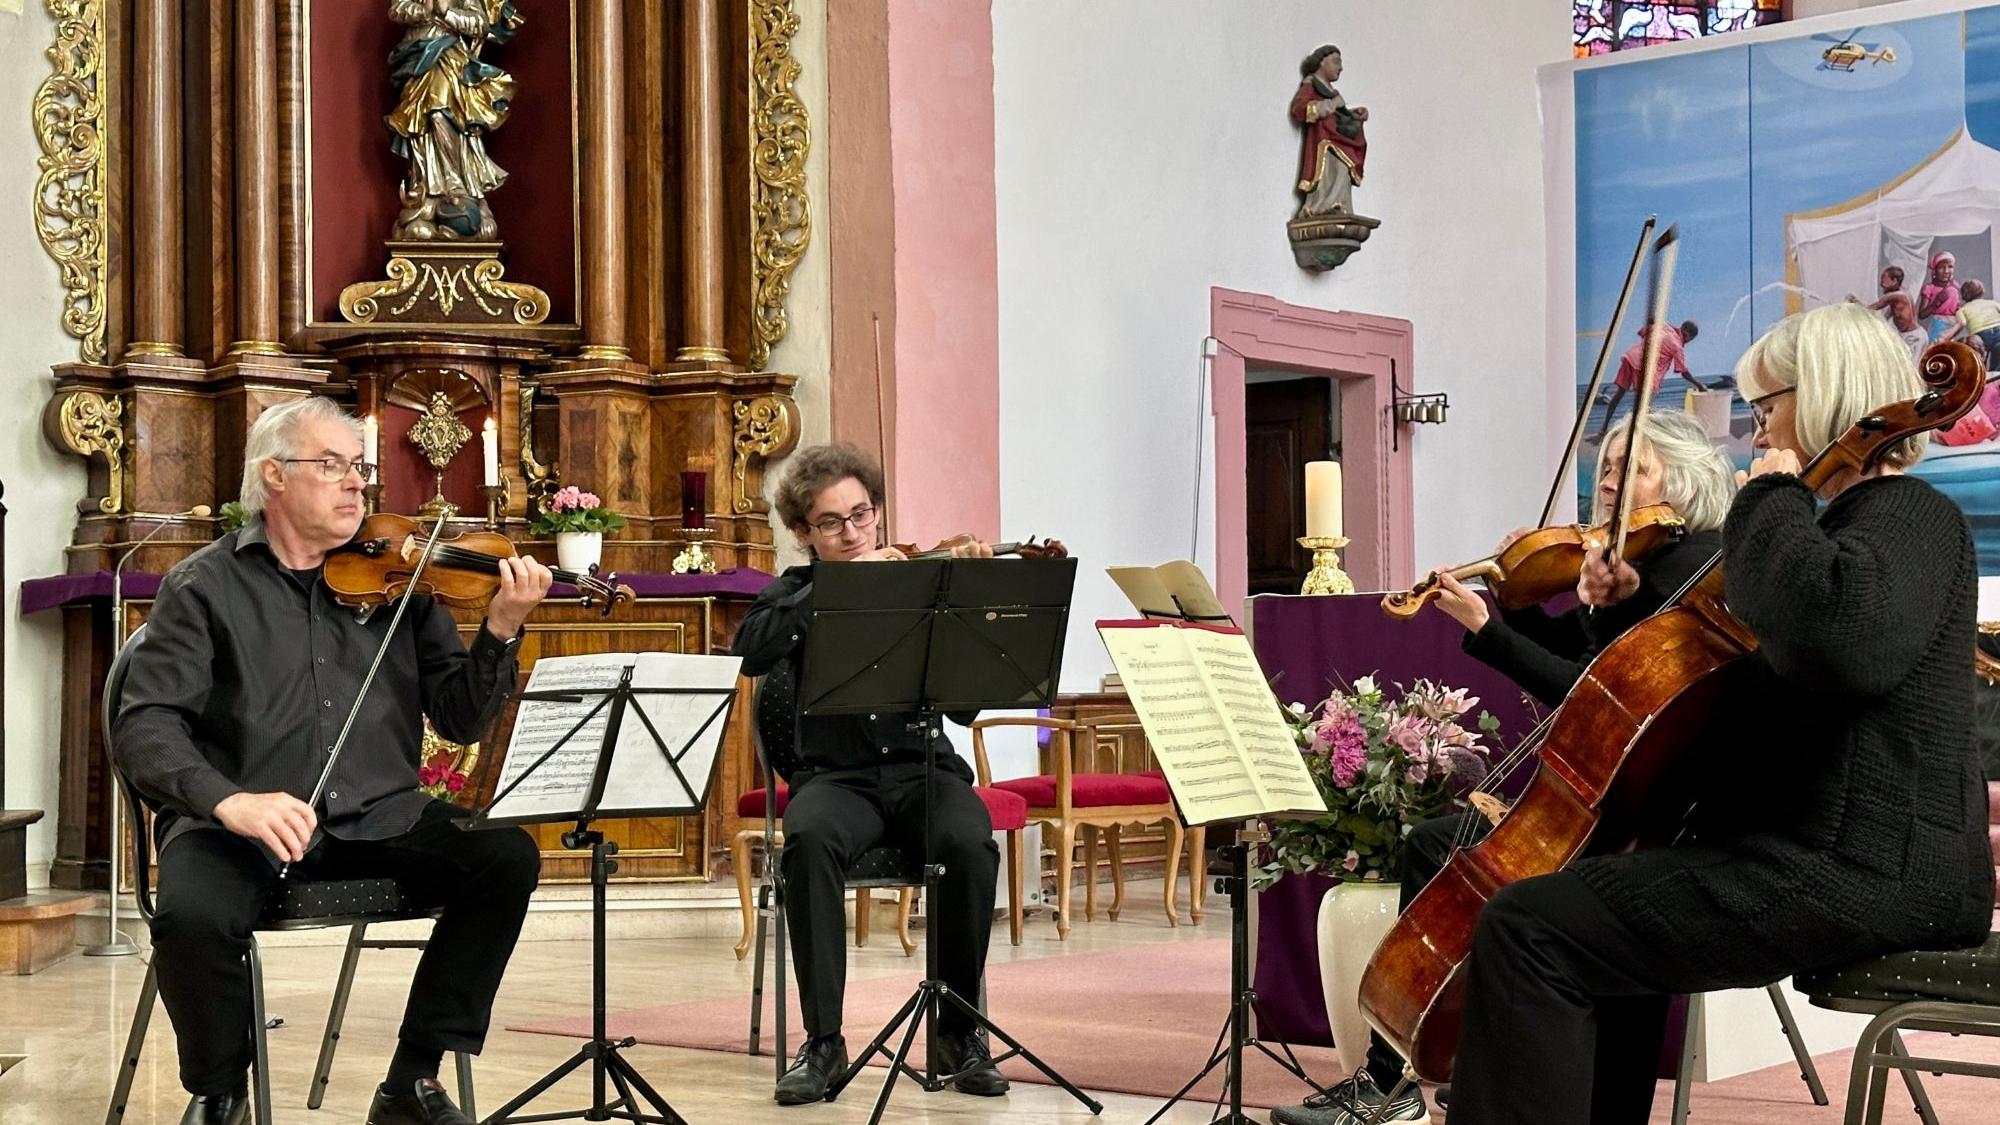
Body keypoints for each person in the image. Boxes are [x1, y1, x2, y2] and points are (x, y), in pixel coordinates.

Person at [1445, 301, 1994, 1125]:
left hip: (1868, 869)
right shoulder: (1845, 529)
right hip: (1828, 855)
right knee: (1584, 908)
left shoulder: (1910, 516)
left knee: (1531, 927)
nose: (1755, 425)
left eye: (1767, 404)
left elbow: (1835, 640)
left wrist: (1771, 492)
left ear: (1826, 395)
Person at [1271, 410, 1738, 1125]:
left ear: (1684, 484)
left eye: (1633, 467)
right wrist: (1506, 602)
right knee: (1436, 843)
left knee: (1460, 859)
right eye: (1608, 464)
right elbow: (1573, 649)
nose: (1609, 480)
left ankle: (1415, 1078)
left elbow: (1593, 695)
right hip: (1605, 801)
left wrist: (1491, 629)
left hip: (1639, 815)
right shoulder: (1635, 565)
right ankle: (1433, 1066)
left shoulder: (1683, 570)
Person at [113, 397, 551, 1125]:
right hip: (238, 826)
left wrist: (500, 631)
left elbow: (459, 718)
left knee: (503, 857)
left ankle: (410, 1082)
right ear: (274, 475)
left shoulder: (403, 582)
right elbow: (146, 725)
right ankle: (222, 1092)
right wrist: (230, 801)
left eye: (358, 467)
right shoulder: (203, 586)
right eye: (332, 465)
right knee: (190, 913)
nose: (356, 483)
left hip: (380, 816)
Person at [732, 442, 1007, 1107]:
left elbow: (965, 706)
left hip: (923, 771)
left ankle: (957, 1033)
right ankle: (824, 1042)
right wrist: (841, 589)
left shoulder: (923, 585)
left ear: (878, 512)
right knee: (808, 841)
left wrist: (972, 600)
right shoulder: (793, 592)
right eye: (831, 522)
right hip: (836, 781)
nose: (852, 533)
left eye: (861, 515)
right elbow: (750, 650)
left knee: (970, 839)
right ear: (805, 533)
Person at [1596, 320, 1705, 443]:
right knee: (1644, 405)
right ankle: (1635, 437)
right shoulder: (1677, 346)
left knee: (1619, 395)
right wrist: (1699, 385)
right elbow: (1683, 372)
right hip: (1643, 368)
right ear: (1687, 335)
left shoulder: (1663, 326)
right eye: (1690, 339)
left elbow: (1643, 331)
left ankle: (1603, 430)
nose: (1688, 342)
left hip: (1630, 357)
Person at [1291, 45, 1369, 218]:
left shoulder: (1332, 92)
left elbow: (1339, 115)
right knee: (1331, 170)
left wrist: (1355, 114)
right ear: (1321, 62)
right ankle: (1321, 206)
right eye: (1336, 62)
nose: (1340, 68)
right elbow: (1300, 109)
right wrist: (1332, 105)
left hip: (1339, 139)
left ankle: (1338, 205)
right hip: (1324, 142)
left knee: (1344, 169)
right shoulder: (1311, 86)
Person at [1853, 265, 1925, 359]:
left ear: (1894, 281)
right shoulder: (1900, 295)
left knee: (1909, 366)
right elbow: (1886, 316)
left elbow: (1871, 309)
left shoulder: (1895, 296)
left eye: (1884, 280)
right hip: (1907, 336)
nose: (1881, 284)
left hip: (1914, 338)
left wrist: (1856, 303)